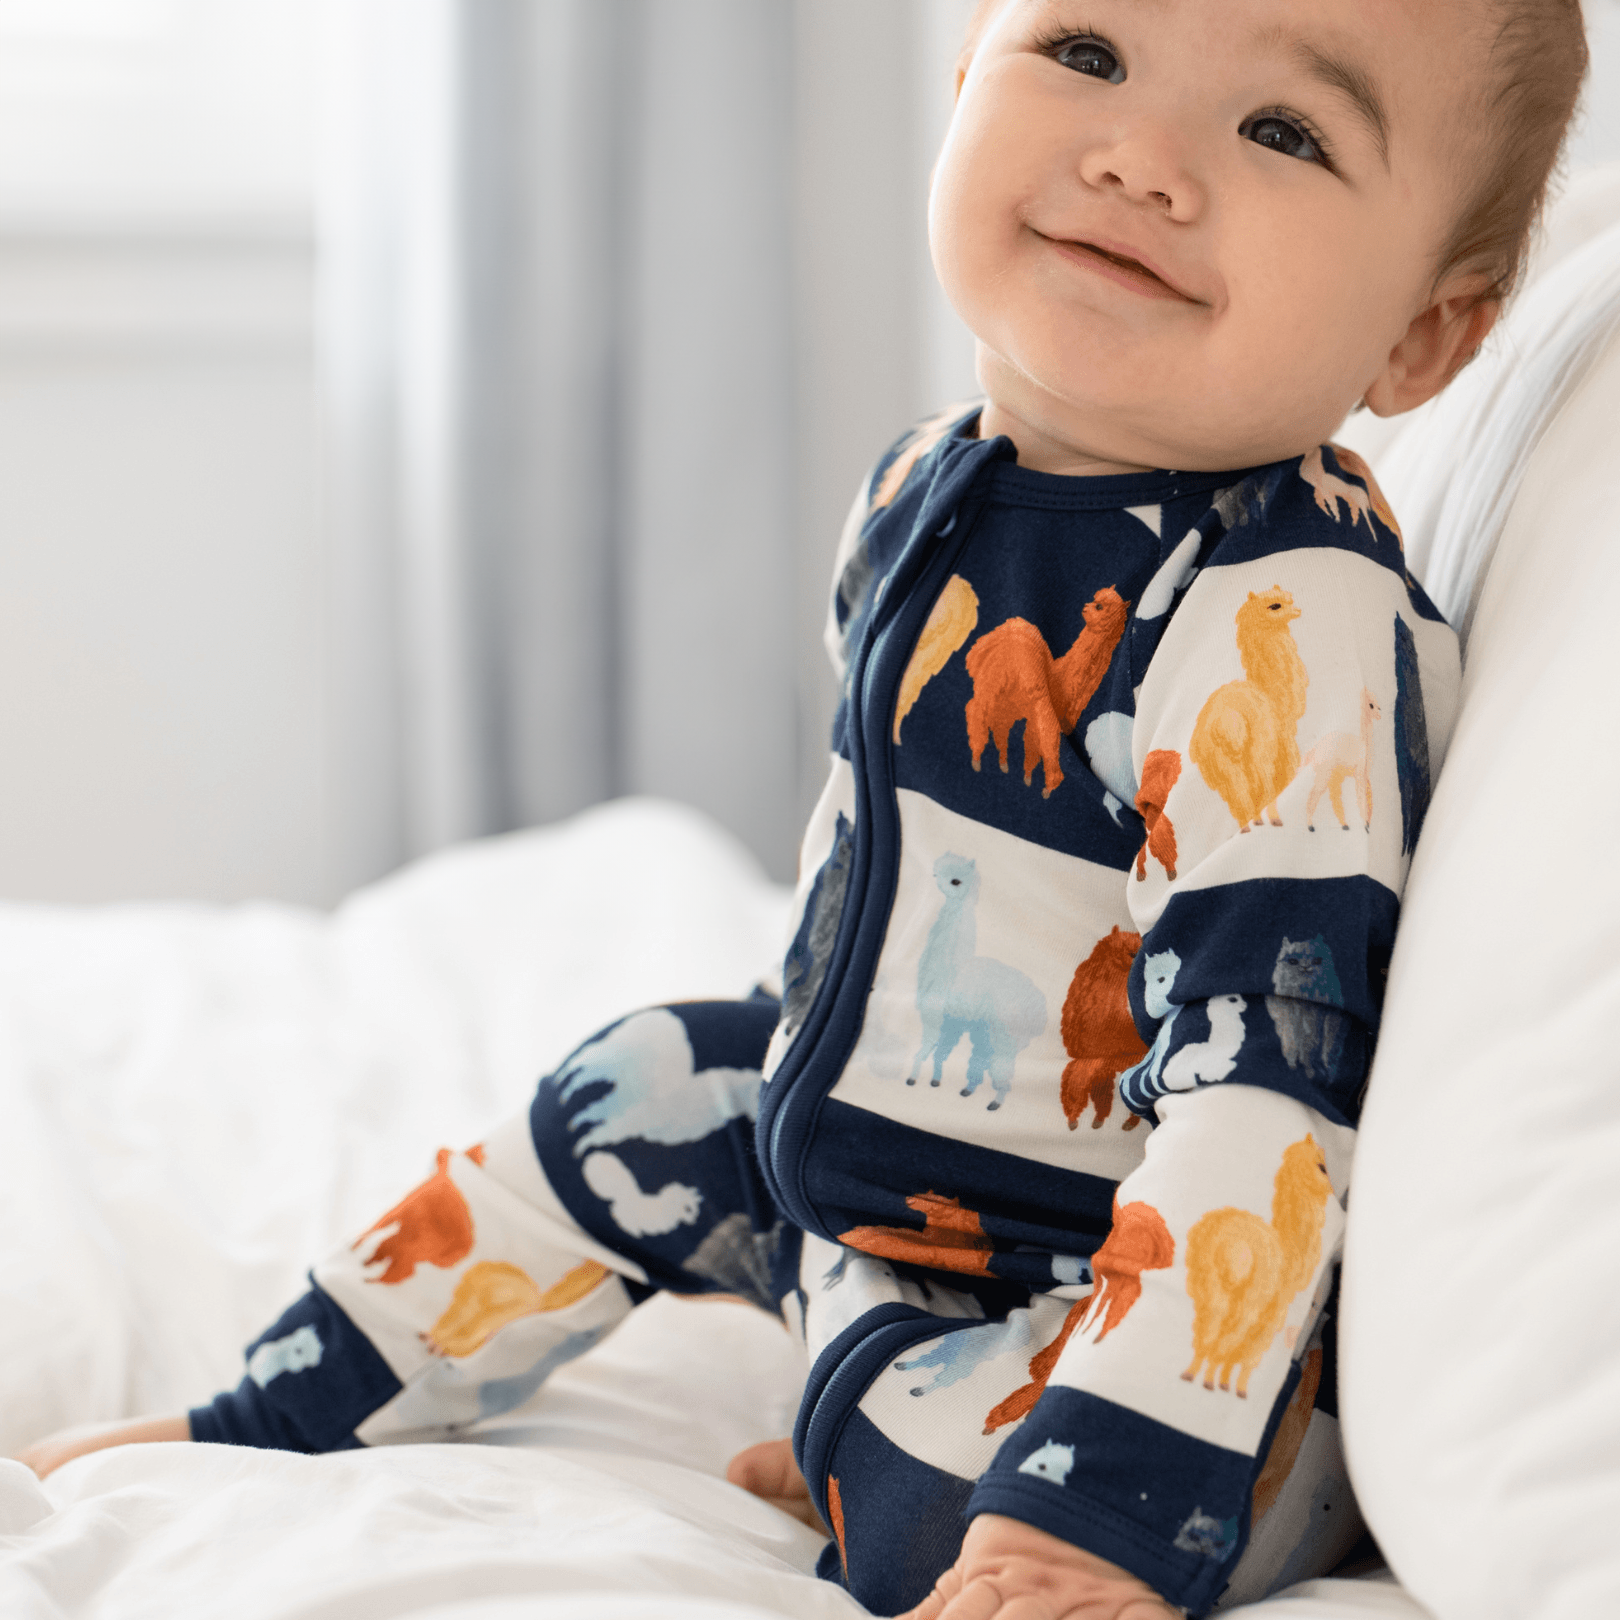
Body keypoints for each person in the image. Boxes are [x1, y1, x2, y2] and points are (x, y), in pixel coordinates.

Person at [19, 2, 1588, 1616]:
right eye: (1087, 54)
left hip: (1114, 1288)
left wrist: (1080, 1526)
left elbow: (1265, 1106)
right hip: (871, 1175)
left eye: (1281, 132)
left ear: (1424, 337)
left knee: (927, 1523)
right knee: (634, 1088)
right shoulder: (925, 488)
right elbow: (863, 899)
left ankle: (925, 1437)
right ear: (964, 83)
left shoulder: (1283, 612)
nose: (1143, 159)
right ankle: (266, 1414)